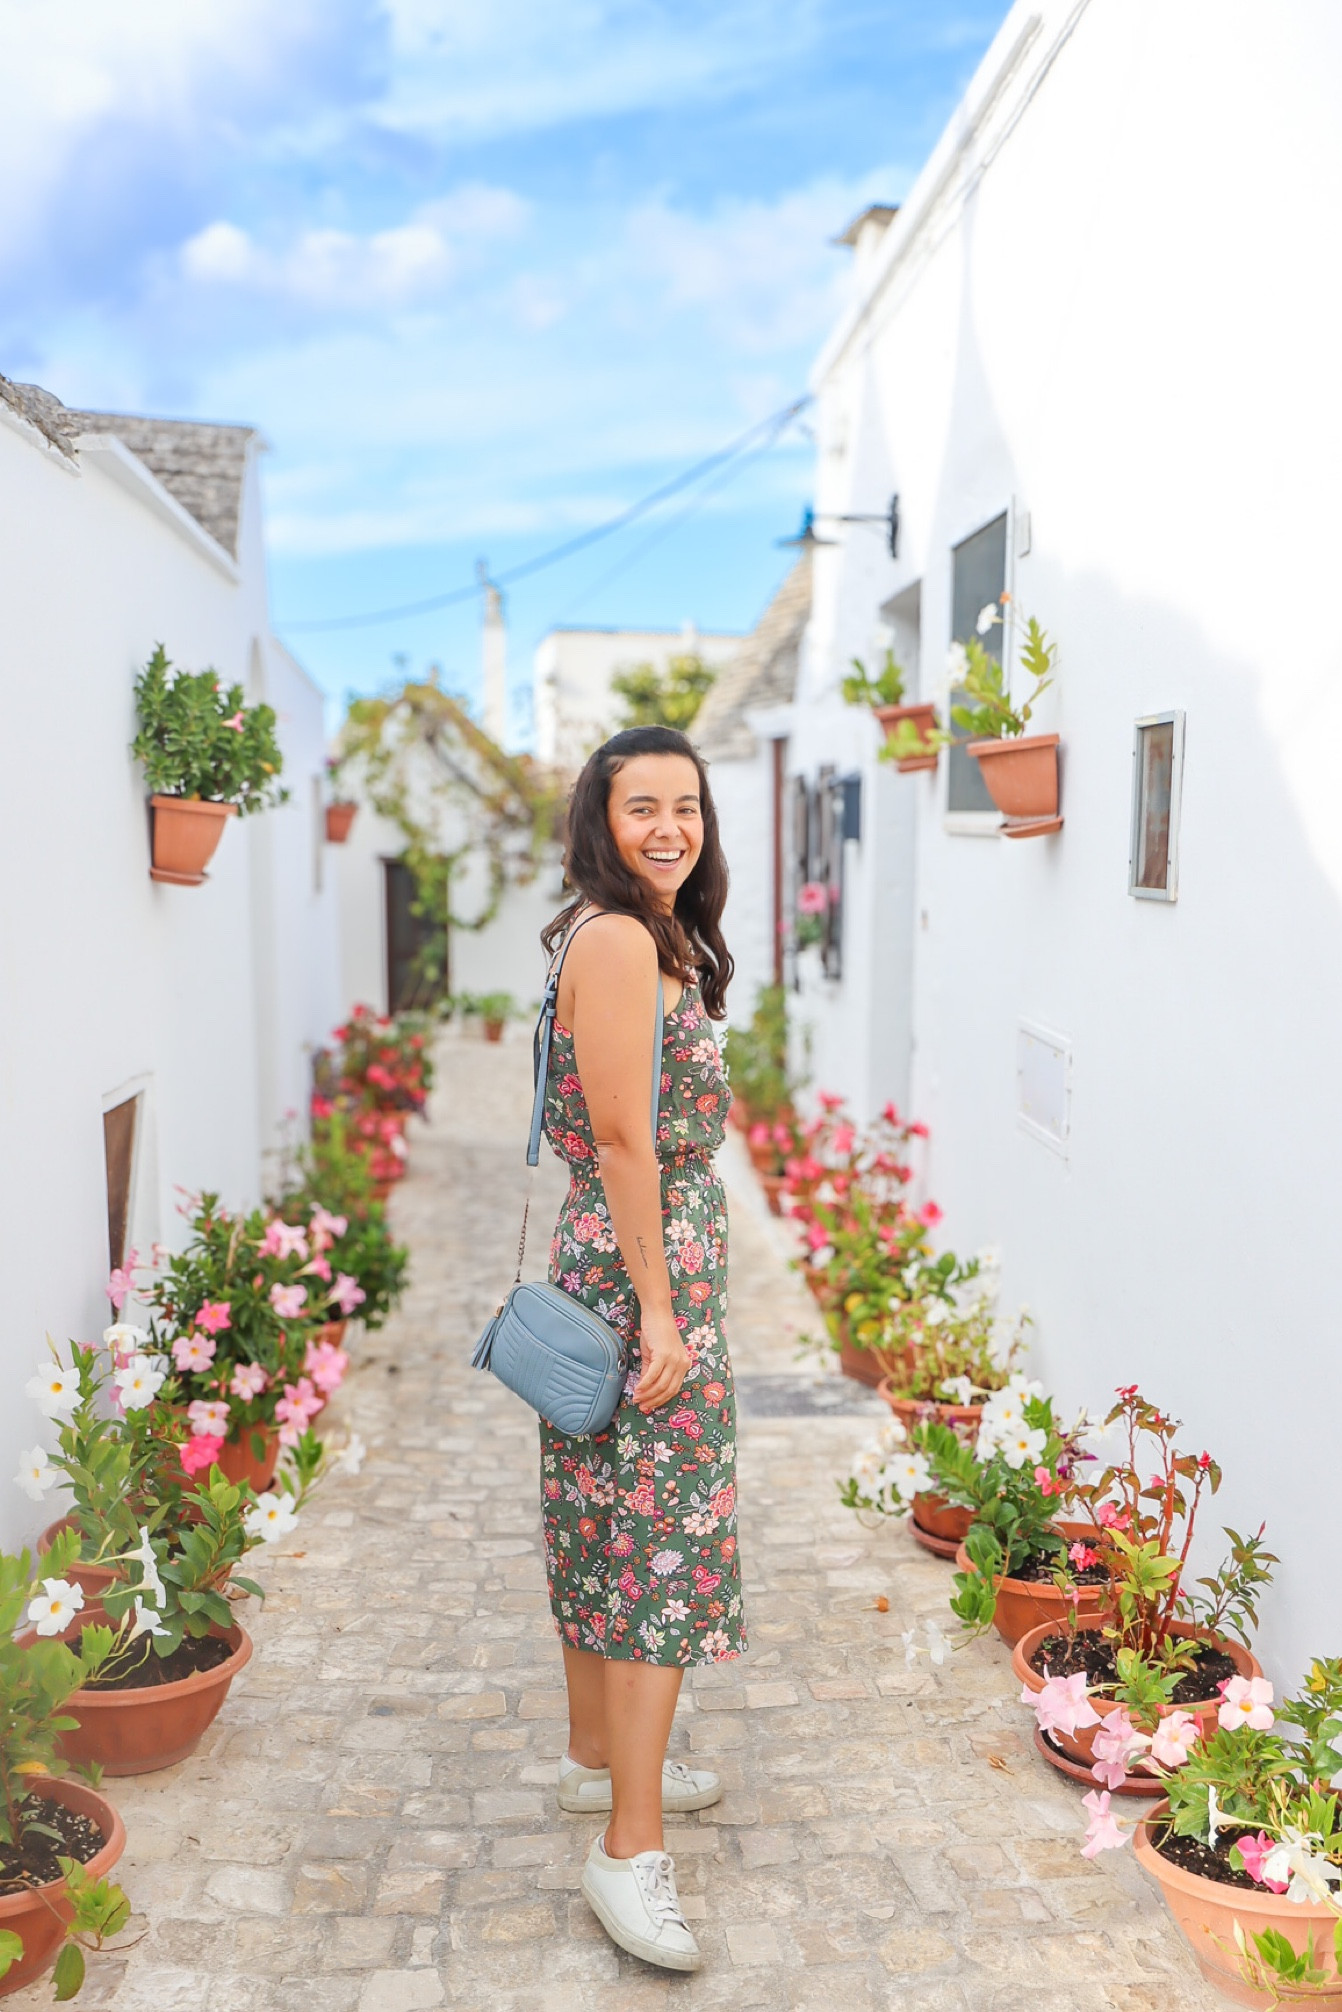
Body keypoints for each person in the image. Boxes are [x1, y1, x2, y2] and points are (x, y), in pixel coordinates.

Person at [536, 724, 744, 1972]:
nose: (668, 826)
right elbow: (624, 1141)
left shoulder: (637, 933)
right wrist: (661, 1311)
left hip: (632, 1269)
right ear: (598, 821)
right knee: (661, 1549)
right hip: (639, 1283)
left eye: (687, 805)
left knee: (603, 1525)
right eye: (640, 807)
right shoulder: (617, 939)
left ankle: (596, 1758)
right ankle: (628, 1845)